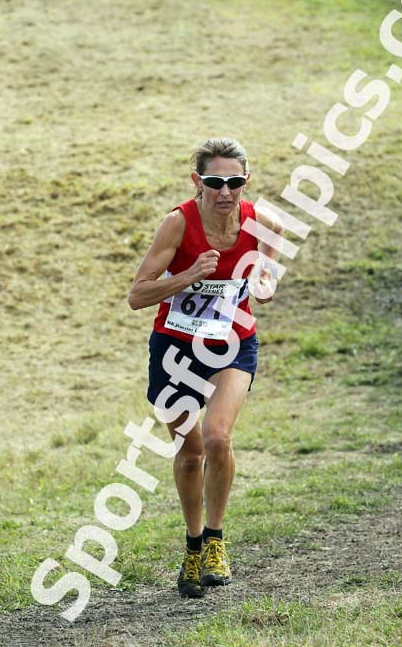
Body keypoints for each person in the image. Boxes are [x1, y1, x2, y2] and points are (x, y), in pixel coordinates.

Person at [128, 138, 283, 598]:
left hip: (233, 344)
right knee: (191, 451)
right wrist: (190, 275)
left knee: (218, 436)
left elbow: (273, 242)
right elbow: (137, 295)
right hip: (176, 349)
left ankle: (215, 541)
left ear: (245, 182)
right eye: (215, 182)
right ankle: (193, 544)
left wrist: (266, 277)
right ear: (198, 181)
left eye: (234, 182)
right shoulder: (177, 224)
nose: (225, 192)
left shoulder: (258, 219)